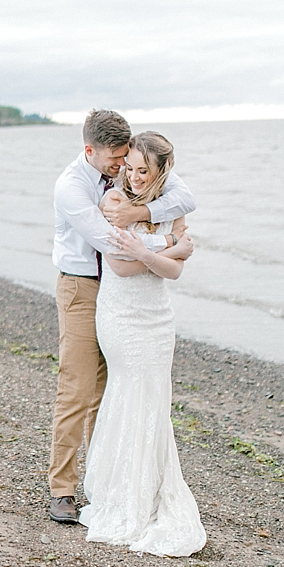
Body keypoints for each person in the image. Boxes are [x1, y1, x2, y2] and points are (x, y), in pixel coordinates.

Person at [49, 110, 195, 523]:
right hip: (82, 287)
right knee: (77, 389)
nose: (121, 166)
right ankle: (62, 490)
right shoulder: (72, 188)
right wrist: (172, 241)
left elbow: (185, 197)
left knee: (109, 393)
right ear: (89, 150)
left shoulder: (126, 169)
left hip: (124, 297)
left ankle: (106, 483)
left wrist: (142, 215)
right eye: (115, 159)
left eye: (125, 158)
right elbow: (113, 244)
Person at [78, 130, 207, 556]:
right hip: (121, 315)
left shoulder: (171, 208)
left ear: (160, 172)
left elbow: (174, 274)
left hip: (157, 318)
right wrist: (171, 247)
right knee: (129, 392)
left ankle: (150, 492)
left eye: (141, 170)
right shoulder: (113, 202)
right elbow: (120, 263)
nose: (131, 177)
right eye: (128, 168)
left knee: (154, 400)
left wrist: (152, 250)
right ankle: (121, 492)